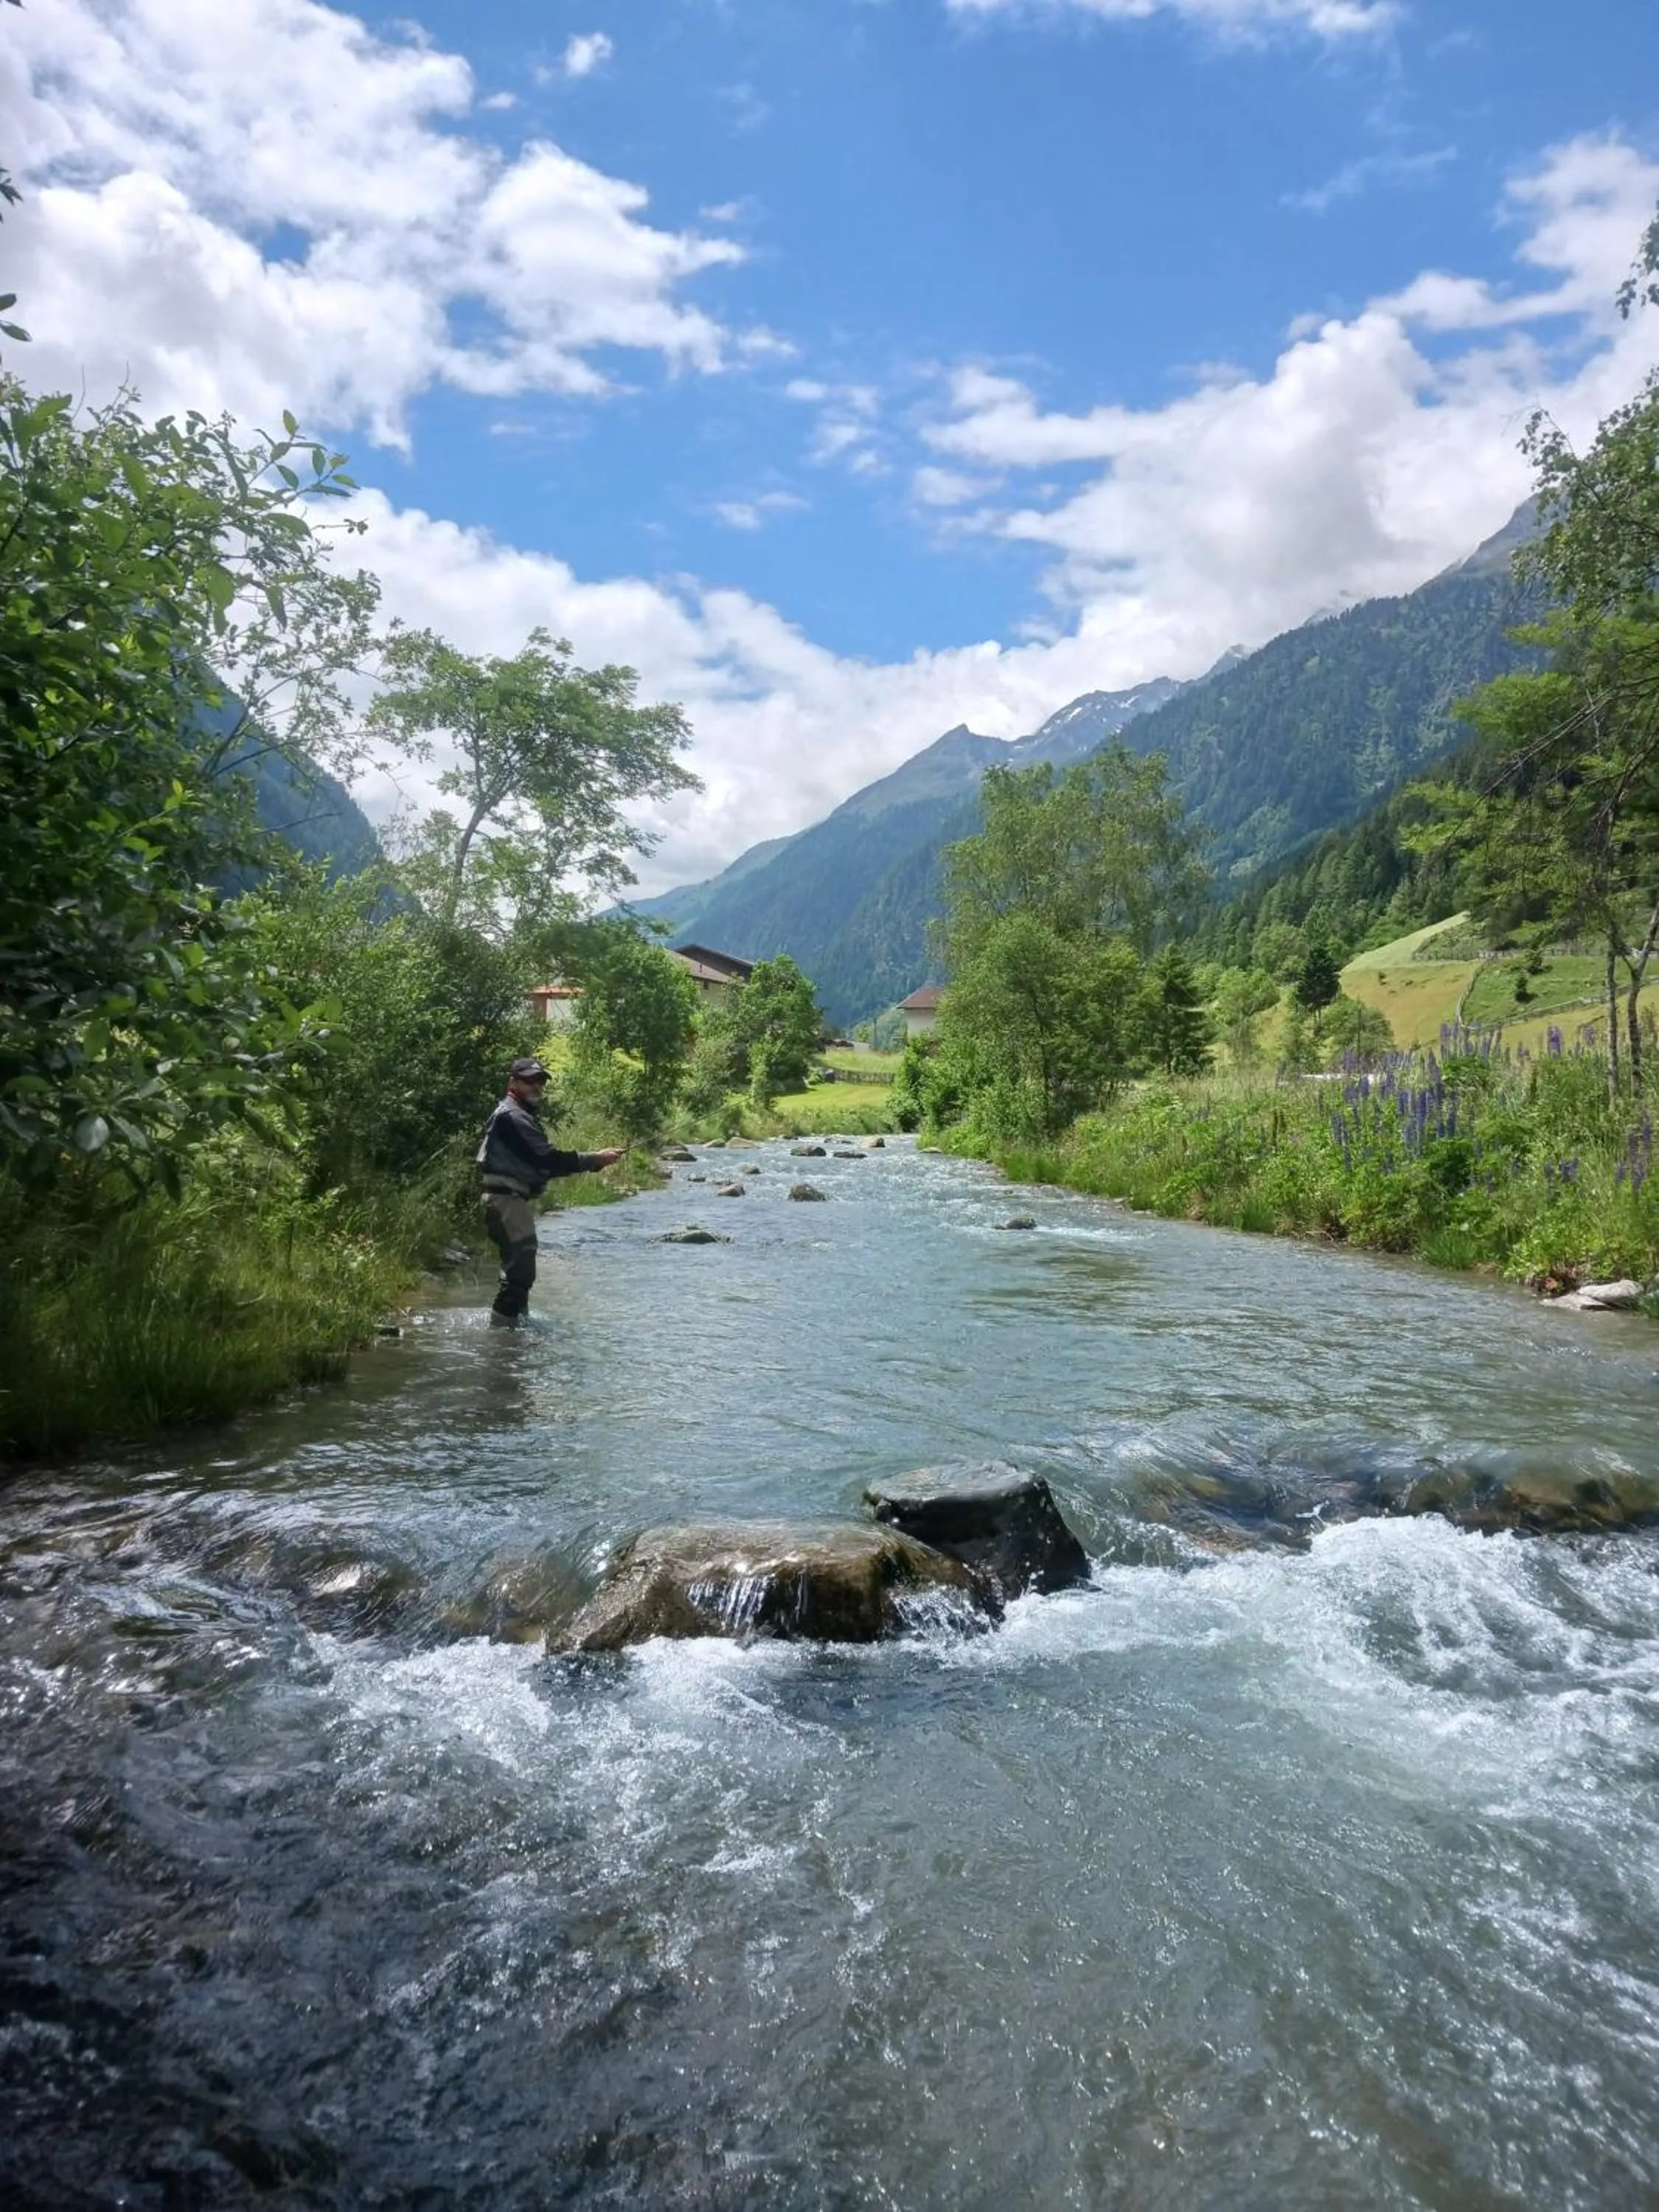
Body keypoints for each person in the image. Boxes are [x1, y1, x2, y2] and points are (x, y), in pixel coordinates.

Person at [477, 1058, 624, 1326]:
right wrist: (593, 1159)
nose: (537, 1086)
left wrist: (594, 1163)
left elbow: (541, 1164)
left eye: (540, 1081)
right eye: (530, 1080)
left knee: (519, 1269)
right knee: (520, 1271)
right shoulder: (513, 1116)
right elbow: (547, 1158)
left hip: (509, 1200)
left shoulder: (519, 1115)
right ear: (513, 1082)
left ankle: (515, 1330)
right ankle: (502, 1339)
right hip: (505, 1200)